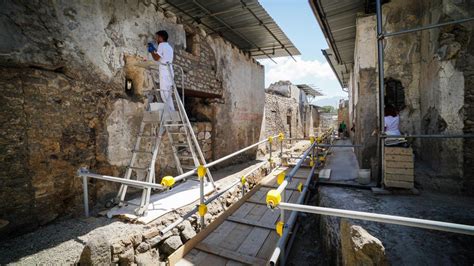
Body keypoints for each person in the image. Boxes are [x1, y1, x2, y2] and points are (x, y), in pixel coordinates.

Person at [147, 30, 175, 112]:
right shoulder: (169, 47)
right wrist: (154, 50)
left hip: (165, 72)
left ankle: (170, 113)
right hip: (170, 72)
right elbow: (162, 56)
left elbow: (156, 58)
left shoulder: (162, 45)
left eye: (157, 37)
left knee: (164, 94)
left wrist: (151, 50)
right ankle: (172, 112)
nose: (156, 39)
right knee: (168, 94)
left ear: (161, 37)